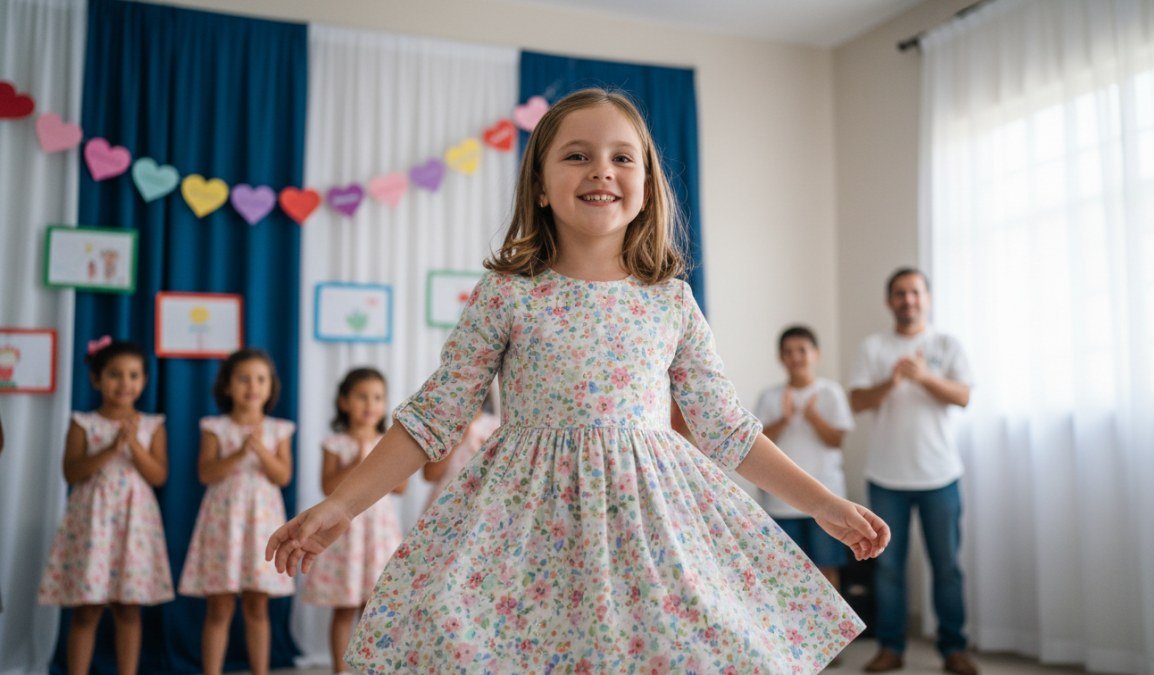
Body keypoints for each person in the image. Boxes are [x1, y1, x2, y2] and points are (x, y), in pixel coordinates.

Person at [267, 88, 890, 673]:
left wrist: (825, 506)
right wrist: (342, 504)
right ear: (540, 185)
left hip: (652, 531)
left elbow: (727, 429)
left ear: (645, 186)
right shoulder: (508, 295)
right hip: (526, 529)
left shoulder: (671, 303)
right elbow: (435, 416)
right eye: (577, 156)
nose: (601, 170)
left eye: (623, 157)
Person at [848, 268, 976, 675]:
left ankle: (954, 649)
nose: (908, 300)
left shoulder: (946, 344)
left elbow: (963, 396)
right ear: (890, 301)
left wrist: (924, 377)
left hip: (941, 476)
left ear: (928, 298)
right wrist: (893, 381)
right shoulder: (873, 347)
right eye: (900, 294)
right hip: (887, 478)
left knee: (947, 567)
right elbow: (857, 402)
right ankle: (891, 648)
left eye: (915, 293)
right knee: (887, 567)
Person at [38, 338, 173, 675]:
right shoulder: (83, 423)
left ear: (143, 380)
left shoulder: (152, 425)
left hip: (134, 523)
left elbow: (158, 475)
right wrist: (112, 448)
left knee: (128, 609)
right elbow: (71, 472)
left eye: (133, 375)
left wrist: (134, 449)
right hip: (92, 524)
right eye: (115, 375)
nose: (125, 383)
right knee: (87, 609)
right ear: (97, 379)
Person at [179, 348, 295, 675]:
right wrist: (240, 452)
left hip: (262, 522)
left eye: (260, 379)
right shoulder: (215, 427)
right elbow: (206, 473)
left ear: (271, 387)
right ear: (228, 386)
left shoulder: (278, 430)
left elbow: (283, 475)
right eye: (243, 379)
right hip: (223, 521)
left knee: (258, 606)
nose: (252, 386)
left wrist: (260, 451)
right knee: (220, 605)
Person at [301, 367, 406, 675]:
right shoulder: (335, 444)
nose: (370, 404)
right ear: (344, 402)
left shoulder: (388, 443)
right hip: (346, 535)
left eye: (377, 397)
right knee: (344, 606)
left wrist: (376, 464)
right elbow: (327, 486)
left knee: (375, 607)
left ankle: (373, 667)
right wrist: (358, 464)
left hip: (378, 533)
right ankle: (339, 669)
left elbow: (400, 486)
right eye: (362, 396)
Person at [755, 326, 854, 590]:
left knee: (827, 570)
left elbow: (836, 440)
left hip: (826, 497)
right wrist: (784, 420)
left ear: (816, 354)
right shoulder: (770, 397)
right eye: (788, 352)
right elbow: (756, 445)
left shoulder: (831, 392)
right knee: (786, 576)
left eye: (802, 350)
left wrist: (814, 418)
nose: (796, 357)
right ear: (781, 358)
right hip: (780, 503)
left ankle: (838, 631)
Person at [420, 381, 500, 511]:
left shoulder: (495, 428)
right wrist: (459, 435)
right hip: (443, 507)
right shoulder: (443, 426)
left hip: (478, 509)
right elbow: (429, 475)